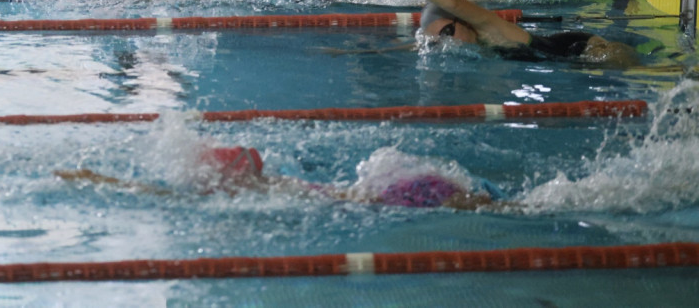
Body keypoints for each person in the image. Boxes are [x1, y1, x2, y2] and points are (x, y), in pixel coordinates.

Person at [353, 0, 640, 66]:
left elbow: (451, 1)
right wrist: (346, 53)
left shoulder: (488, 28)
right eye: (438, 41)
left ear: (463, 20)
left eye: (447, 33)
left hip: (585, 48)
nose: (446, 42)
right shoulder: (464, 42)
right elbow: (416, 45)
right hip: (569, 63)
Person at [56, 145, 493, 209]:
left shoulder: (254, 193)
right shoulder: (267, 185)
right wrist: (98, 178)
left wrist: (97, 180)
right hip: (391, 188)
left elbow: (158, 194)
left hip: (390, 197)